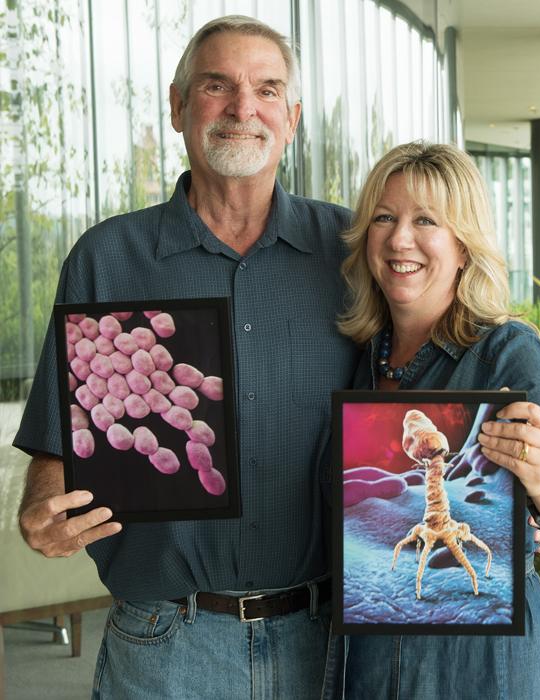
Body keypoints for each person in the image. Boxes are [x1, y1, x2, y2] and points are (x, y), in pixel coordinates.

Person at [14, 16, 358, 698]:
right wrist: (45, 511)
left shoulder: (351, 252)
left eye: (266, 90)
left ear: (290, 119)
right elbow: (63, 441)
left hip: (328, 642)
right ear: (177, 107)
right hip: (163, 648)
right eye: (217, 85)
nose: (242, 108)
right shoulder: (107, 258)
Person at [330, 141, 540, 698]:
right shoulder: (357, 357)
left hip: (485, 661)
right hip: (368, 660)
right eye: (384, 217)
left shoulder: (506, 349)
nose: (399, 238)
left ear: (463, 246)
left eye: (426, 220)